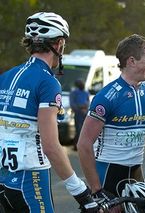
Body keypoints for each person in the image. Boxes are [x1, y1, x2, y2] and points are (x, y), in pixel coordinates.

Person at [0, 12, 100, 212]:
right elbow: (51, 146)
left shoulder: (6, 76)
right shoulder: (47, 82)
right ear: (59, 43)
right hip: (30, 178)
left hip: (4, 177)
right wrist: (80, 191)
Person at [77, 34, 145, 203]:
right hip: (107, 174)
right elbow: (84, 144)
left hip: (136, 173)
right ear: (132, 61)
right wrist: (96, 189)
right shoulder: (107, 97)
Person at [69, 78, 90, 150]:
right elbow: (72, 104)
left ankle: (83, 146)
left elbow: (88, 102)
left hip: (85, 114)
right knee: (78, 130)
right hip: (78, 114)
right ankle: (76, 145)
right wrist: (80, 108)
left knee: (86, 131)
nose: (82, 85)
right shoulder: (74, 93)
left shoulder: (86, 92)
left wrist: (85, 108)